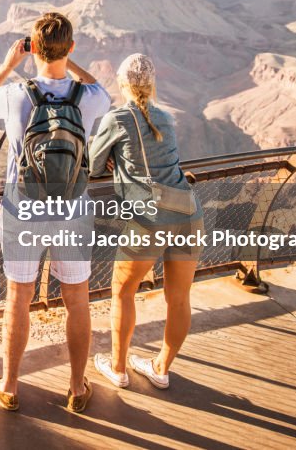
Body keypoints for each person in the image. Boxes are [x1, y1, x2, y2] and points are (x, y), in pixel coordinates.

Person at [0, 12, 111, 414]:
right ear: (70, 48)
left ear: (33, 49)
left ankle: (10, 386)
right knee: (77, 299)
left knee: (18, 296)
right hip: (72, 212)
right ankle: (75, 386)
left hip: (22, 211)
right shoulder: (88, 98)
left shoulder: (16, 94)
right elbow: (102, 89)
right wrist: (71, 62)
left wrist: (7, 66)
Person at [88, 53, 203, 391]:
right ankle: (160, 369)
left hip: (149, 220)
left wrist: (111, 159)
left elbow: (93, 166)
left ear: (121, 84)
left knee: (122, 292)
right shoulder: (166, 118)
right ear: (152, 85)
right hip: (188, 215)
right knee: (179, 299)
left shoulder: (117, 118)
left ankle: (119, 368)